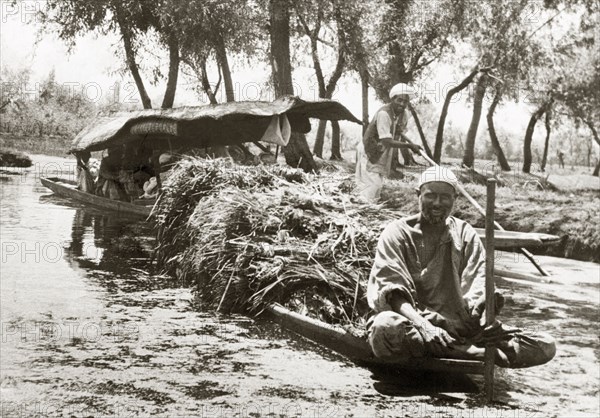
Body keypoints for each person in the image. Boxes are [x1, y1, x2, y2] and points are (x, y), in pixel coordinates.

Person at [366, 166, 556, 368]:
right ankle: (471, 353)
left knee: (544, 344)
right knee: (385, 328)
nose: (438, 203)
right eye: (430, 196)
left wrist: (485, 316)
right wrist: (426, 327)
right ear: (418, 195)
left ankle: (457, 348)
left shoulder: (465, 233)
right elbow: (392, 292)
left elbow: (478, 283)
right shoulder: (396, 233)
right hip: (415, 323)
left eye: (445, 197)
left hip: (459, 327)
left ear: (454, 198)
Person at [355, 83, 422, 201]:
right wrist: (410, 146)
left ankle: (371, 208)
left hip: (382, 152)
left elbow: (399, 130)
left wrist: (399, 129)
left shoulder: (403, 114)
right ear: (393, 99)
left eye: (405, 101)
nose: (402, 104)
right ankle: (363, 207)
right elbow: (386, 140)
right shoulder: (384, 114)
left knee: (378, 184)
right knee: (371, 184)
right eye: (399, 100)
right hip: (369, 150)